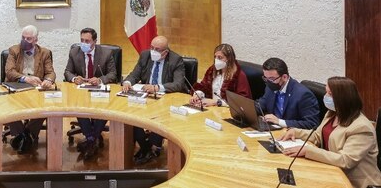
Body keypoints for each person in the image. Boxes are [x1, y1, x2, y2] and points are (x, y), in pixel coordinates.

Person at [280, 77, 381, 188]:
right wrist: (295, 132)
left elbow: (346, 161)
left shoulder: (362, 127)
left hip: (354, 183)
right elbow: (317, 136)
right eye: (326, 92)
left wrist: (308, 151)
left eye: (330, 94)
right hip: (330, 172)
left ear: (342, 98)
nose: (325, 97)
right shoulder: (332, 114)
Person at [121, 36, 187, 165]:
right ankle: (145, 147)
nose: (153, 51)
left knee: (162, 117)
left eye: (157, 49)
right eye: (152, 47)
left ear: (165, 52)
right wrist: (127, 82)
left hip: (165, 98)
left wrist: (157, 87)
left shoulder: (175, 60)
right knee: (130, 115)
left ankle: (154, 146)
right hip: (145, 96)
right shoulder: (145, 55)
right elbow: (135, 74)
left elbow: (179, 84)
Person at [63, 27, 117, 160]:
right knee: (79, 107)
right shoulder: (74, 52)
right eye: (81, 40)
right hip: (81, 90)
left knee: (102, 108)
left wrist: (99, 80)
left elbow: (113, 74)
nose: (83, 43)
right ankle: (92, 139)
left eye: (87, 41)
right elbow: (67, 72)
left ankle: (90, 140)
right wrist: (75, 78)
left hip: (98, 90)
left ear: (95, 41)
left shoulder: (106, 53)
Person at [4, 25, 56, 154]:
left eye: (29, 38)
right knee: (8, 108)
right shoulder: (14, 50)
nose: (25, 41)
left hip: (36, 88)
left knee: (45, 107)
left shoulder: (44, 53)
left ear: (36, 40)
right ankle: (25, 135)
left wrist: (48, 80)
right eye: (23, 37)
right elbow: (9, 72)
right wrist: (25, 78)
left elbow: (51, 73)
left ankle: (25, 135)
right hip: (17, 86)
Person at [257, 57, 321, 129]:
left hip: (292, 135)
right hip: (274, 130)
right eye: (266, 78)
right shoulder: (270, 87)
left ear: (284, 77)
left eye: (271, 79)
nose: (268, 82)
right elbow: (261, 104)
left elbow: (312, 123)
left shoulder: (303, 94)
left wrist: (279, 122)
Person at [189, 44, 251, 108]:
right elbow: (203, 86)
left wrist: (216, 102)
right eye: (215, 57)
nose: (216, 60)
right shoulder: (212, 70)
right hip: (211, 109)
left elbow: (242, 101)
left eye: (220, 57)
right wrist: (197, 94)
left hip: (227, 112)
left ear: (229, 59)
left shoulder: (239, 75)